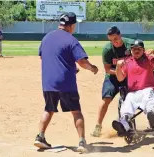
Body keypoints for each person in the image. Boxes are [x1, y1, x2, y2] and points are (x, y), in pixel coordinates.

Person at [34, 12, 98, 153]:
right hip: (66, 83)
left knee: (48, 109)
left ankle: (40, 137)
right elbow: (82, 61)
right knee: (76, 112)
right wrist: (93, 68)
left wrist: (67, 67)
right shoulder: (71, 40)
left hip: (48, 83)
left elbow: (44, 57)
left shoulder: (46, 38)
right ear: (72, 25)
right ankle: (82, 142)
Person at [112, 39, 154, 134]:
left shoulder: (148, 59)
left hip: (148, 89)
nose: (136, 51)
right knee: (127, 102)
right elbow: (120, 78)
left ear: (143, 50)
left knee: (149, 100)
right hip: (133, 92)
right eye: (134, 49)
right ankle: (124, 123)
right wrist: (118, 67)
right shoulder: (127, 62)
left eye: (139, 49)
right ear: (131, 51)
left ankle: (152, 119)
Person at [91, 26, 135, 137]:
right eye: (110, 40)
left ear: (120, 35)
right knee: (106, 99)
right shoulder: (107, 49)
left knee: (131, 98)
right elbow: (107, 69)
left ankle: (126, 123)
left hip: (128, 76)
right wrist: (119, 72)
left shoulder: (130, 45)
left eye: (115, 38)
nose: (113, 42)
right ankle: (98, 126)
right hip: (112, 77)